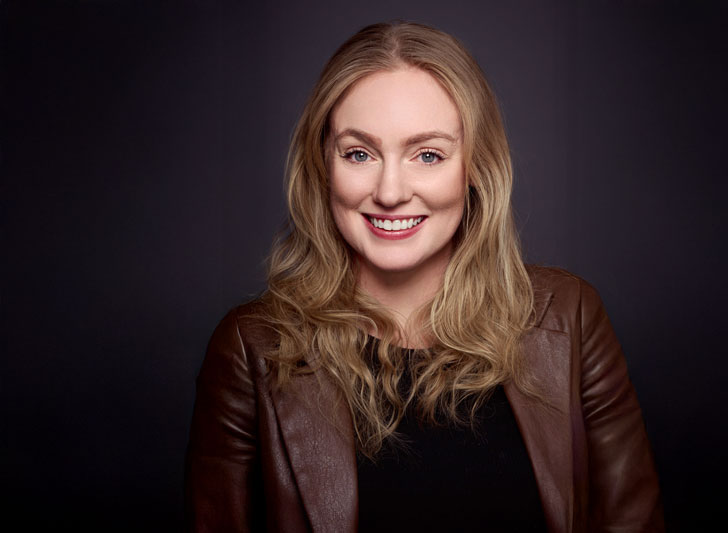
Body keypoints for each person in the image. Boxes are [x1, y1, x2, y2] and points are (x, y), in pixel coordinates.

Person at [185, 21, 663, 532]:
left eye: (428, 155)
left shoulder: (569, 319)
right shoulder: (249, 348)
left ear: (475, 166)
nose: (390, 191)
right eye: (359, 153)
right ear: (323, 164)